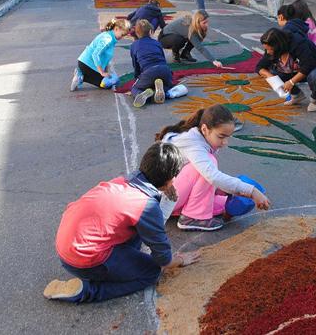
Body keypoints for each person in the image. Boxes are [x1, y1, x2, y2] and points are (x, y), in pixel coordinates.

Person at [45, 142, 200, 302]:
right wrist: (180, 260)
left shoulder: (122, 181)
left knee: (137, 227)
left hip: (67, 247)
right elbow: (164, 259)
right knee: (151, 272)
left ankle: (113, 269)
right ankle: (87, 291)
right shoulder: (146, 205)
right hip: (83, 259)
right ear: (171, 179)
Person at [157, 105, 271, 231]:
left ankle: (195, 213)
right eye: (221, 136)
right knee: (209, 167)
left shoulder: (199, 137)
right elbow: (213, 176)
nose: (225, 142)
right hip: (162, 202)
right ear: (205, 129)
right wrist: (252, 191)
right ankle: (192, 218)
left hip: (171, 197)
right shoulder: (194, 145)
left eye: (228, 137)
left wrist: (229, 192)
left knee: (226, 201)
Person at [257, 25, 316, 112]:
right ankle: (297, 95)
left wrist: (291, 82)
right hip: (297, 71)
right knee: (272, 72)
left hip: (315, 67)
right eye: (266, 49)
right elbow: (260, 67)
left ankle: (314, 99)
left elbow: (308, 65)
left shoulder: (298, 43)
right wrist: (272, 78)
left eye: (270, 49)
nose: (268, 52)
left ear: (278, 45)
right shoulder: (272, 47)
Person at [70, 18, 130, 91]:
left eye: (125, 35)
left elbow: (104, 57)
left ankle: (81, 75)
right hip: (87, 65)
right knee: (108, 84)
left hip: (88, 64)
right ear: (116, 29)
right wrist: (102, 72)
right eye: (122, 34)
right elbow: (95, 54)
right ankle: (81, 77)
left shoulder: (111, 37)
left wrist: (105, 71)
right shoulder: (107, 39)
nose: (122, 37)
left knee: (111, 80)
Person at [130, 20, 174, 108]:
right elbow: (163, 59)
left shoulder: (134, 45)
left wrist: (138, 77)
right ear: (150, 32)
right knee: (169, 85)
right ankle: (162, 91)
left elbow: (136, 65)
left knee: (134, 88)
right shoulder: (157, 43)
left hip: (149, 71)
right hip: (164, 69)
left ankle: (145, 94)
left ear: (137, 33)